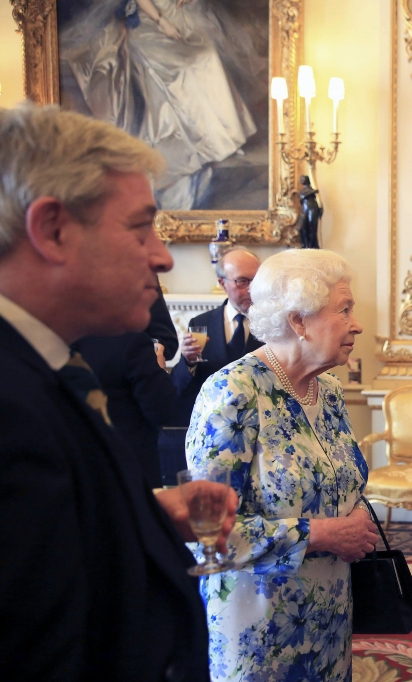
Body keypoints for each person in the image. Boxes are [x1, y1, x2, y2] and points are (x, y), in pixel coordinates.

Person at [0, 103, 236, 680]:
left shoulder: (46, 365)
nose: (161, 255)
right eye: (141, 227)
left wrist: (141, 515)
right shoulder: (8, 407)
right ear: (53, 230)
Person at [186, 248, 378, 681]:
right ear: (298, 321)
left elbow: (343, 480)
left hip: (328, 620)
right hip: (259, 631)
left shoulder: (327, 390)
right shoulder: (232, 393)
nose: (357, 324)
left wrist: (357, 515)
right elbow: (208, 536)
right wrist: (322, 533)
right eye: (344, 310)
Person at [59, 0, 258, 209]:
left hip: (178, 13)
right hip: (150, 21)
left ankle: (221, 137)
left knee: (207, 58)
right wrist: (162, 21)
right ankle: (194, 139)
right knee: (184, 69)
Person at [168, 246, 264, 461]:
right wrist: (188, 361)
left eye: (256, 281)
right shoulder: (200, 323)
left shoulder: (272, 324)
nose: (251, 290)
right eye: (242, 281)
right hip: (212, 432)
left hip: (261, 433)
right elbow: (179, 386)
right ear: (222, 284)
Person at [76, 330, 179, 488]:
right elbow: (162, 410)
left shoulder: (54, 339)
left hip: (73, 468)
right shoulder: (130, 341)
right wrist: (158, 370)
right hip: (128, 472)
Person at [298, 175, 323, 249]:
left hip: (312, 209)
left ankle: (312, 246)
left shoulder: (312, 190)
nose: (301, 180)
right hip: (305, 210)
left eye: (303, 179)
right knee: (301, 227)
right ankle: (305, 245)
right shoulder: (305, 191)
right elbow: (303, 196)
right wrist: (313, 192)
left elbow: (318, 200)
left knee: (312, 228)